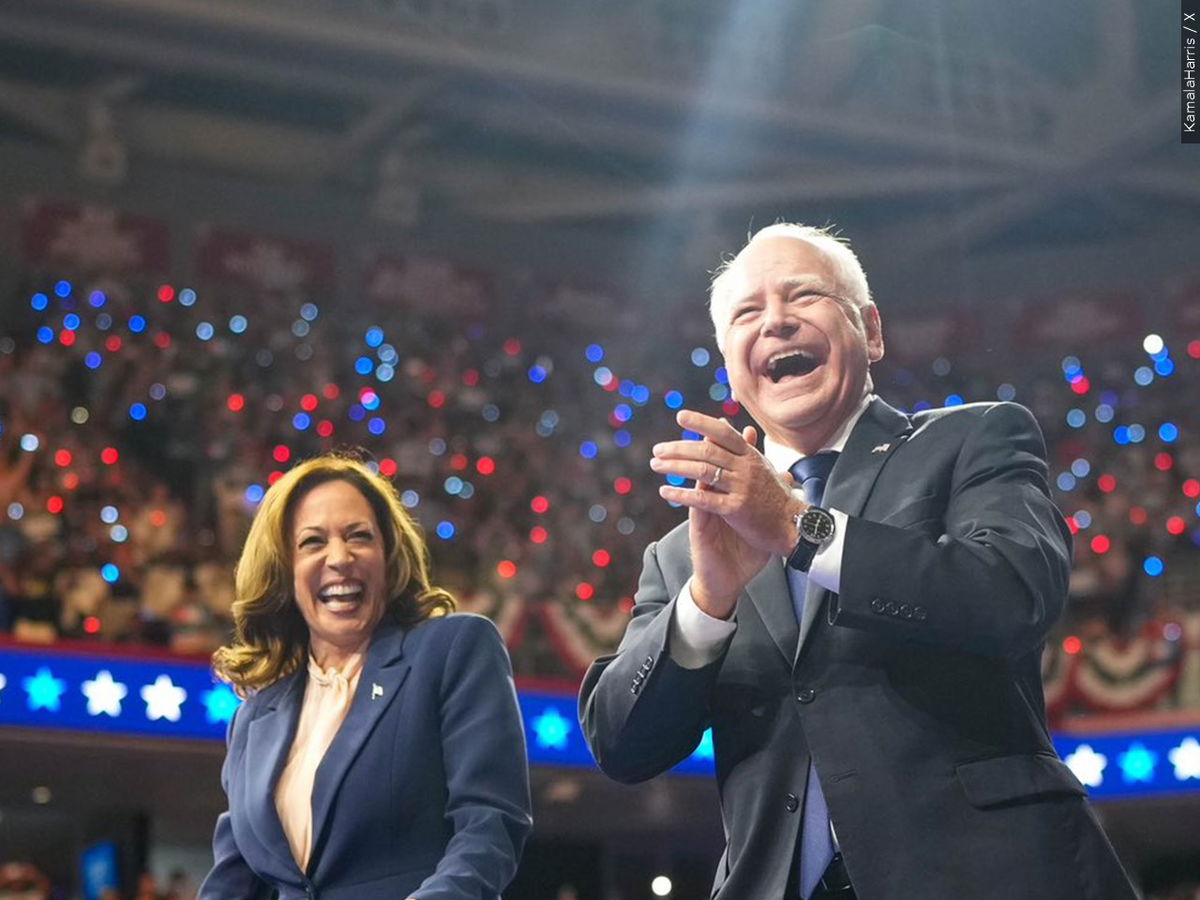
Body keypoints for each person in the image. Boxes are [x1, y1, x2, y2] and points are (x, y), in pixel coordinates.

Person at [579, 224, 1137, 899]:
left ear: (870, 331)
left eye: (804, 296)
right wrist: (705, 605)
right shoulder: (686, 554)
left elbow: (1009, 596)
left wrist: (796, 527)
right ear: (730, 363)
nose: (777, 322)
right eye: (747, 314)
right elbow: (622, 745)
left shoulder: (974, 439)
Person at [199, 453, 531, 900]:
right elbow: (233, 884)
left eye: (359, 536)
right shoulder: (255, 714)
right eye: (313, 542)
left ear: (389, 556)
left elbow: (489, 827)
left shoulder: (454, 649)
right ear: (284, 571)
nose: (340, 557)